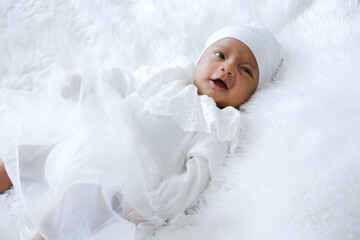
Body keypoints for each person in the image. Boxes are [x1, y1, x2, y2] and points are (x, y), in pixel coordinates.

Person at [0, 22, 283, 240]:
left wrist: (154, 206)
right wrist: (87, 85)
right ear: (200, 59)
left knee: (75, 207)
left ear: (252, 96)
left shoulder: (216, 125)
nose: (228, 68)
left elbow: (195, 177)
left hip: (121, 179)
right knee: (25, 155)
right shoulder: (167, 77)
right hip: (90, 140)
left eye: (246, 71)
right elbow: (124, 81)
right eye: (220, 55)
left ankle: (44, 234)